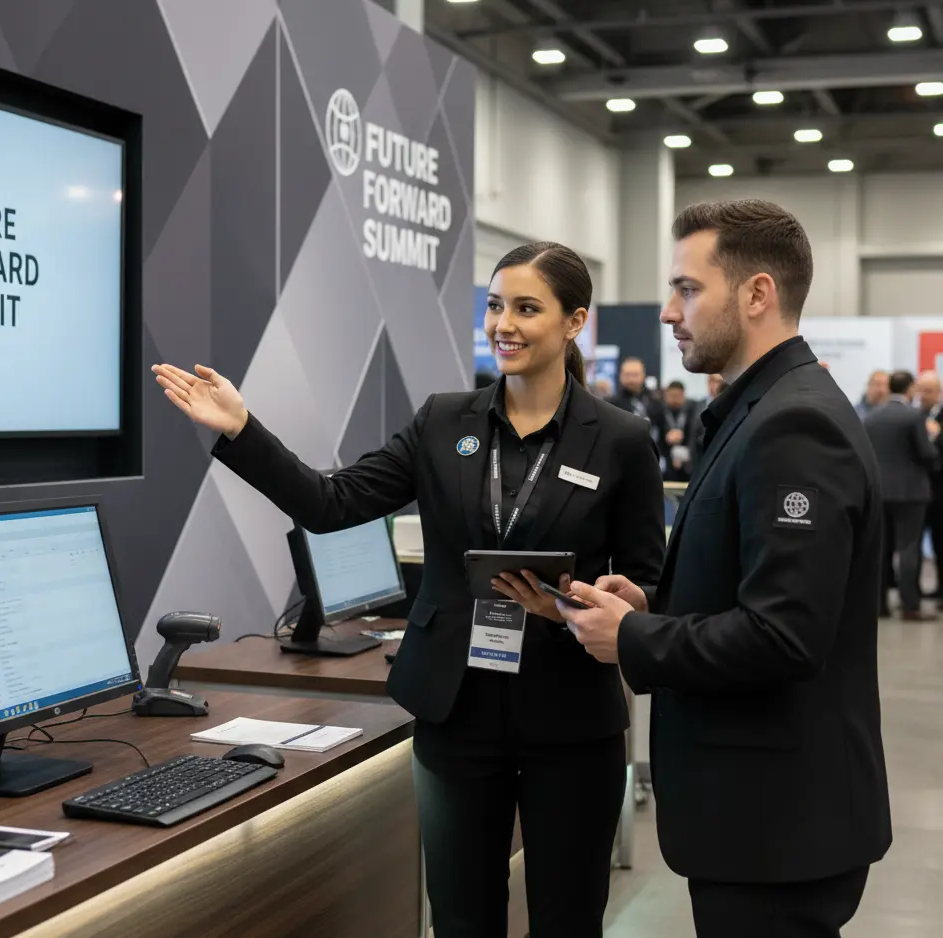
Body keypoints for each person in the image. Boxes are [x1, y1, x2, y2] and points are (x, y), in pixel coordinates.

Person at [153, 242, 666, 938]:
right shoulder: (443, 421)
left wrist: (612, 608)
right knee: (459, 918)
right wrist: (242, 431)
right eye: (493, 306)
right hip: (456, 711)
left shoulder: (622, 440)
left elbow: (647, 583)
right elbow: (331, 502)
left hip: (571, 716)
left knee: (568, 920)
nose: (502, 324)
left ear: (574, 321)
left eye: (525, 308)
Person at [554, 199, 892, 937]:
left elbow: (785, 635)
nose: (671, 312)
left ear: (757, 294)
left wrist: (637, 636)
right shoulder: (759, 409)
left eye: (688, 288)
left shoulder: (793, 425)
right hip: (763, 817)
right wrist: (656, 600)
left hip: (777, 822)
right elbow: (757, 581)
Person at [864, 371, 938, 620]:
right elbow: (927, 454)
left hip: (880, 492)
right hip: (911, 492)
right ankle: (909, 606)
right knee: (908, 548)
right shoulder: (914, 416)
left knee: (881, 549)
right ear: (909, 389)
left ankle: (879, 605)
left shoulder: (872, 416)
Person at [916, 370, 943, 596]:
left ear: (939, 393)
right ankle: (912, 590)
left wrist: (935, 437)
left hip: (939, 492)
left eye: (929, 391)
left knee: (940, 542)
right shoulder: (911, 416)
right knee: (912, 544)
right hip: (915, 493)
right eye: (921, 390)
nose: (923, 395)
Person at [658, 380, 697, 482]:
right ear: (666, 395)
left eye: (678, 395)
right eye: (672, 395)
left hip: (687, 458)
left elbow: (695, 436)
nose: (674, 399)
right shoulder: (659, 411)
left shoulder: (692, 410)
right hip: (665, 457)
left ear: (683, 395)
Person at [608, 357, 663, 425]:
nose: (631, 380)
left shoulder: (656, 402)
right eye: (627, 375)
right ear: (620, 376)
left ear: (643, 376)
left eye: (635, 375)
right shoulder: (611, 405)